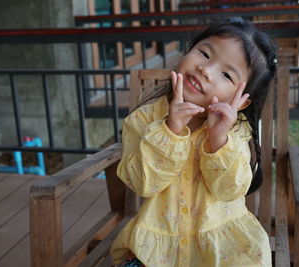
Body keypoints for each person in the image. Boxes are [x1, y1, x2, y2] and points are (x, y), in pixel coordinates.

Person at [110, 17, 277, 267]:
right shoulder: (145, 119)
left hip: (222, 253)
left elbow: (230, 190)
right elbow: (142, 183)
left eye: (226, 75)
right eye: (204, 53)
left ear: (240, 102)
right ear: (188, 51)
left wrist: (218, 140)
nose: (205, 70)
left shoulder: (236, 133)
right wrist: (171, 130)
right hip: (157, 252)